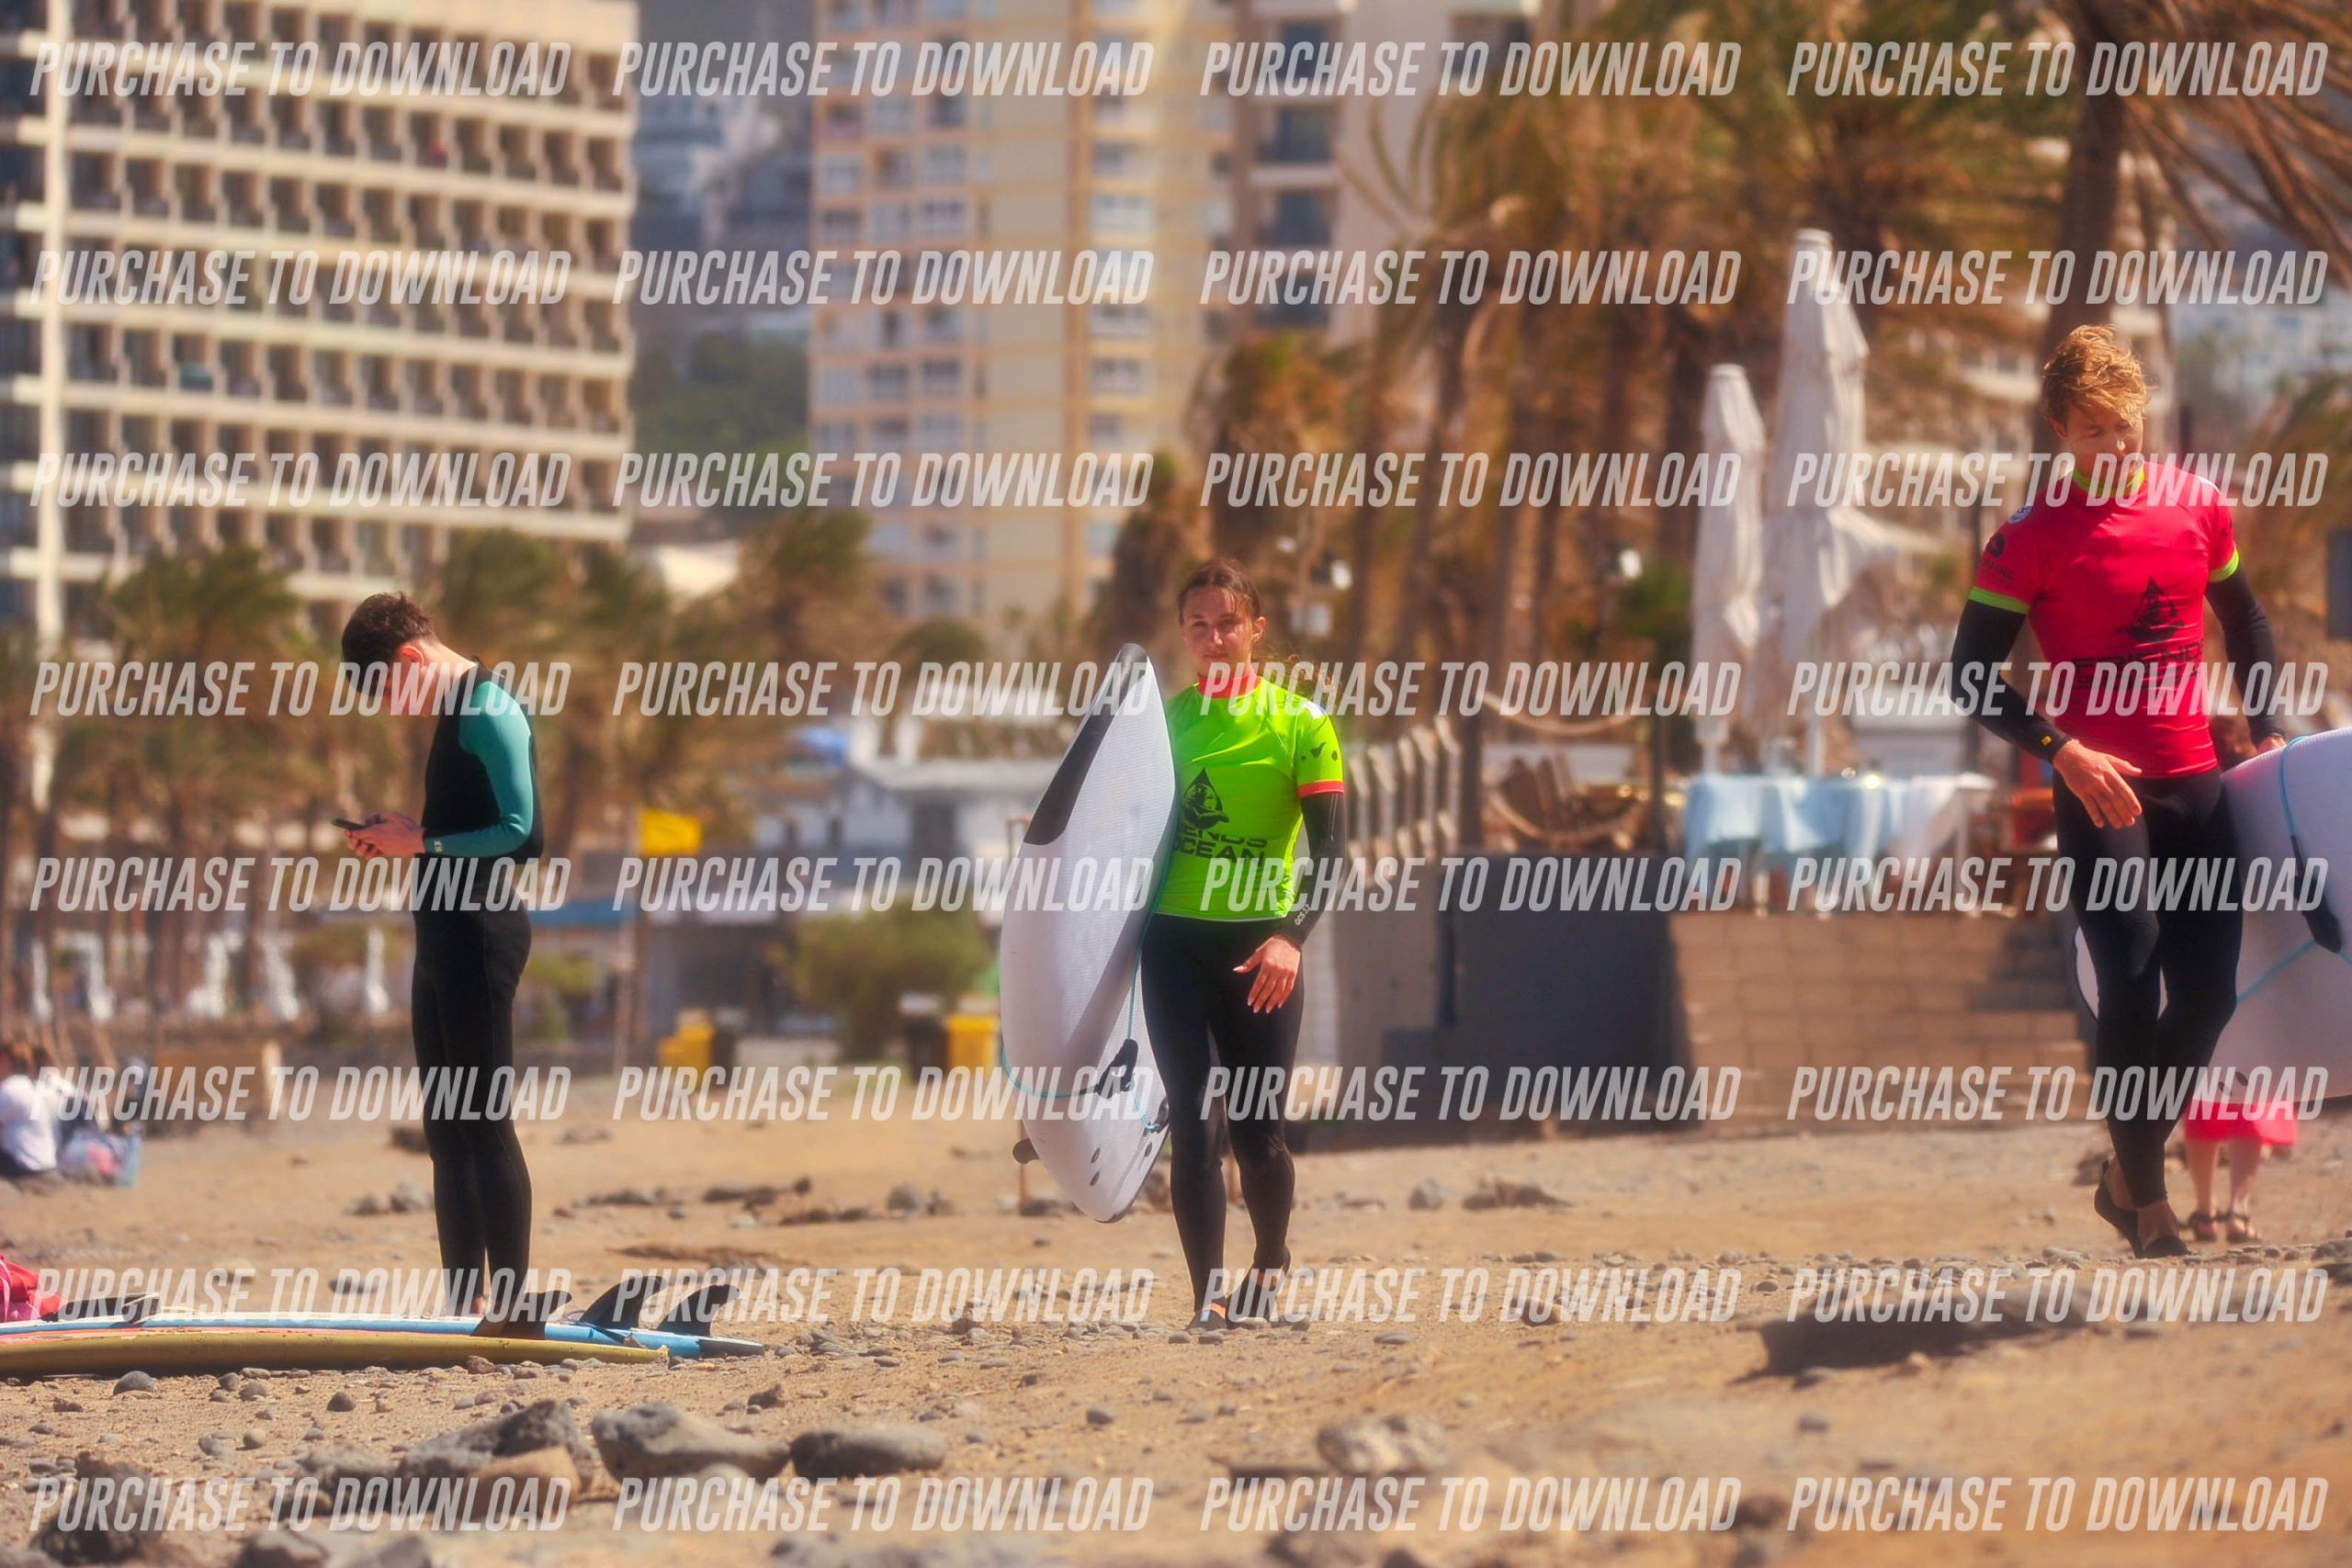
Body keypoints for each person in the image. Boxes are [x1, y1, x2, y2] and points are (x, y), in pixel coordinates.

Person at [1949, 325, 2285, 1258]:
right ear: (2060, 430)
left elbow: (2246, 618)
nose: (2115, 443)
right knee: (2130, 986)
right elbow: (1970, 674)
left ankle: (2121, 1177)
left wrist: (2264, 724)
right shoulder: (2029, 538)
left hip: (2195, 783)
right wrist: (2062, 751)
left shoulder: (2197, 508)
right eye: (2093, 428)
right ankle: (2150, 1203)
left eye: (2126, 424)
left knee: (2209, 998)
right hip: (2098, 791)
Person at [1142, 561, 1347, 1327]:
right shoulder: (1161, 726)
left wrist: (1291, 937)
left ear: (1256, 629)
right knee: (1195, 1126)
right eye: (1199, 624)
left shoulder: (1303, 724)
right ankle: (1207, 1300)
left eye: (1228, 622)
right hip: (1174, 944)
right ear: (1183, 632)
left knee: (1259, 1133)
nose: (1214, 637)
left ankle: (1270, 1258)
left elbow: (1332, 855)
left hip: (1263, 950)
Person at [340, 592, 547, 1327]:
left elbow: (523, 834)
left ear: (408, 659)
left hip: (481, 933)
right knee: (446, 1125)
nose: (392, 709)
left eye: (386, 690)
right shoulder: (452, 710)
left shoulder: (489, 708)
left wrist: (422, 842)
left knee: (484, 1120)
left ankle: (512, 1304)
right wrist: (408, 830)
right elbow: (465, 824)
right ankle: (466, 1301)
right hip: (440, 932)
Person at [0, 1039, 60, 1181]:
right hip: (44, 1163)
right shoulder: (27, 1085)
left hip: (25, 1167)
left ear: (5, 1060)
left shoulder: (10, 1088)